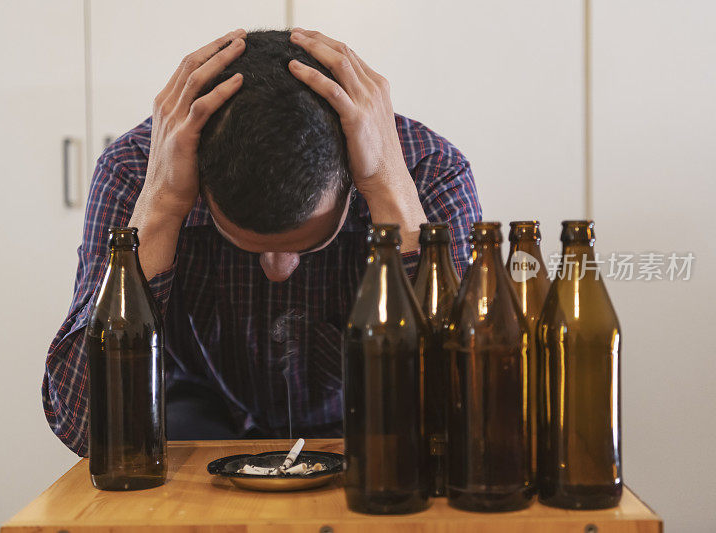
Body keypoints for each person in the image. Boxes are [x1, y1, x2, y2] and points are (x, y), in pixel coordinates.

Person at [43, 29, 481, 456]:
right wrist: (161, 205)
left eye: (308, 245)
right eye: (245, 244)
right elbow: (85, 429)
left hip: (370, 408)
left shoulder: (429, 171)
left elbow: (470, 414)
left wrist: (390, 191)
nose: (278, 270)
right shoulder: (138, 172)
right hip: (198, 408)